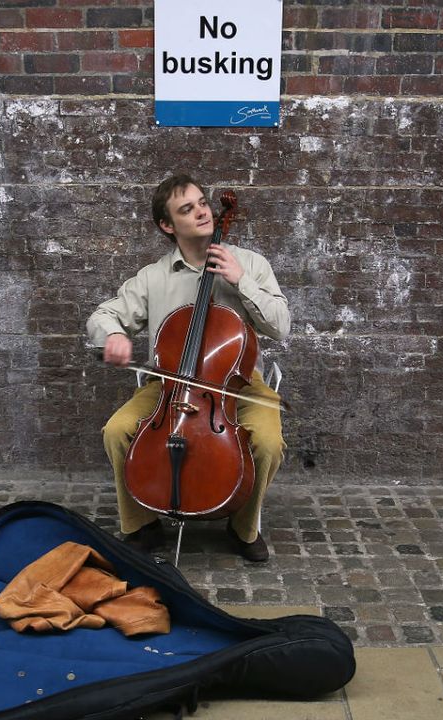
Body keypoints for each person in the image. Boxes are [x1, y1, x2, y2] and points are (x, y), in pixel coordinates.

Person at [86, 174, 291, 562]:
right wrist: (111, 335)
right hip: (171, 386)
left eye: (202, 203)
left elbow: (281, 326)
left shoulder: (250, 263)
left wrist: (240, 280)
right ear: (167, 225)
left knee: (266, 442)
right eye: (187, 209)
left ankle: (242, 528)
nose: (202, 212)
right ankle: (142, 526)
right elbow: (103, 315)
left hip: (239, 386)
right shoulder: (154, 277)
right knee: (117, 431)